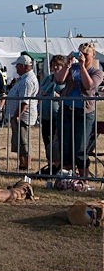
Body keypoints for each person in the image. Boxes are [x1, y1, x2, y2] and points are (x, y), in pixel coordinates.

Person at [54, 43, 104, 177]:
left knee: (80, 148)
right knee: (65, 146)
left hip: (84, 113)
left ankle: (84, 179)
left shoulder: (97, 72)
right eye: (80, 53)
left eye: (86, 54)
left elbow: (89, 86)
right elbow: (59, 80)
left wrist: (82, 66)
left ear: (93, 55)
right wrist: (67, 64)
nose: (83, 56)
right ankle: (68, 177)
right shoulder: (73, 68)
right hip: (66, 110)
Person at [5, 55, 39, 171]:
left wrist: (17, 115)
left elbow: (24, 101)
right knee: (19, 141)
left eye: (18, 66)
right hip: (19, 116)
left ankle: (27, 165)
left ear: (24, 66)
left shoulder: (28, 81)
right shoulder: (24, 78)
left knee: (24, 142)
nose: (16, 69)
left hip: (23, 117)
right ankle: (22, 164)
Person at [38, 55, 67, 174]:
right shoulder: (47, 78)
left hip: (58, 116)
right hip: (45, 116)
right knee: (47, 142)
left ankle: (59, 166)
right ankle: (50, 165)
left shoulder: (65, 80)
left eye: (58, 65)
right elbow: (40, 92)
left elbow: (66, 96)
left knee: (57, 143)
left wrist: (58, 96)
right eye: (53, 65)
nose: (55, 67)